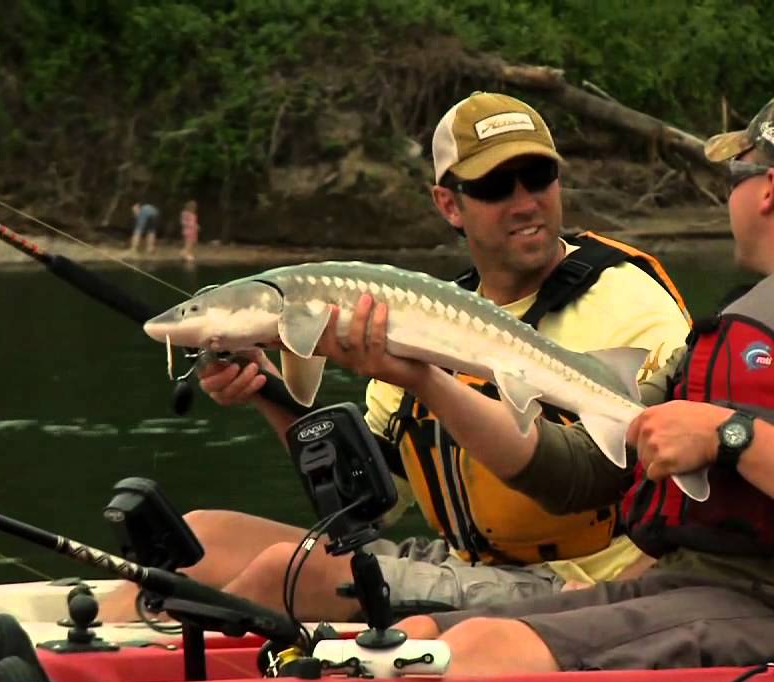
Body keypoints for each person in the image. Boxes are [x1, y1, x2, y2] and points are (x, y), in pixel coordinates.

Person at [317, 85, 774, 675]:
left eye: (737, 170)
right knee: (435, 638)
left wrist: (734, 435)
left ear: (766, 188)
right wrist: (429, 380)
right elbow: (582, 475)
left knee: (482, 652)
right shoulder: (750, 318)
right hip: (696, 584)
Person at [98, 92, 692, 623]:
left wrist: (421, 377)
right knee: (194, 541)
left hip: (583, 588)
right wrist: (267, 390)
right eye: (493, 187)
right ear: (449, 204)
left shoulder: (627, 301)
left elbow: (624, 476)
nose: (524, 203)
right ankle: (54, 671)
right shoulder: (412, 317)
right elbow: (369, 508)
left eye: (538, 178)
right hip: (464, 562)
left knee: (289, 571)